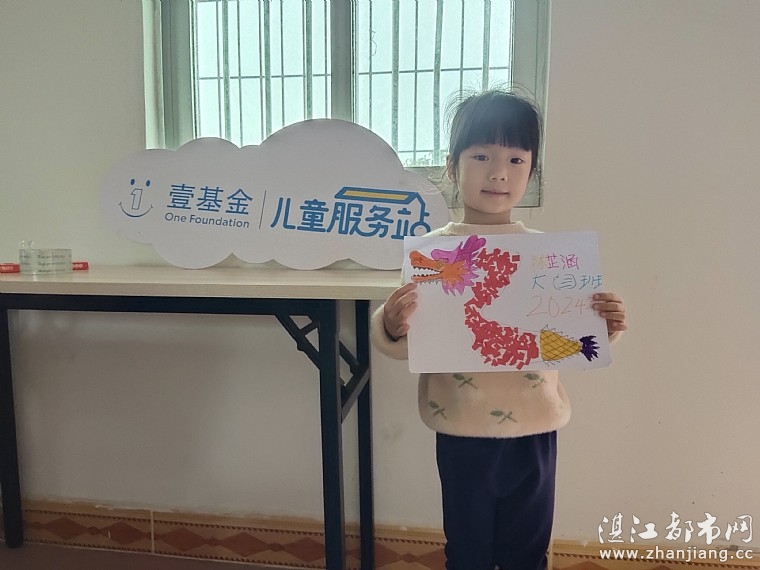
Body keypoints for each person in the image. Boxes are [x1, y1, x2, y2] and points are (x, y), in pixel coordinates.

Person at [370, 90, 627, 570]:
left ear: (531, 171)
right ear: (453, 167)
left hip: (535, 426)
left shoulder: (548, 255)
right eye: (481, 156)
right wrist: (389, 323)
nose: (498, 173)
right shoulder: (431, 255)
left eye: (515, 159)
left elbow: (565, 336)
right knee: (467, 550)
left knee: (527, 551)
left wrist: (602, 323)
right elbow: (404, 341)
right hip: (461, 426)